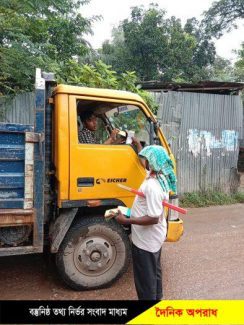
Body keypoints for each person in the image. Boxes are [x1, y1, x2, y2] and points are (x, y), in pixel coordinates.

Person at [115, 145, 177, 300]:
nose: (142, 162)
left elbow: (153, 217)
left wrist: (127, 220)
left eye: (145, 160)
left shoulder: (153, 186)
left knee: (145, 281)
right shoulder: (161, 178)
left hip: (146, 241)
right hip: (153, 239)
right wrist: (136, 143)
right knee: (154, 273)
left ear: (152, 162)